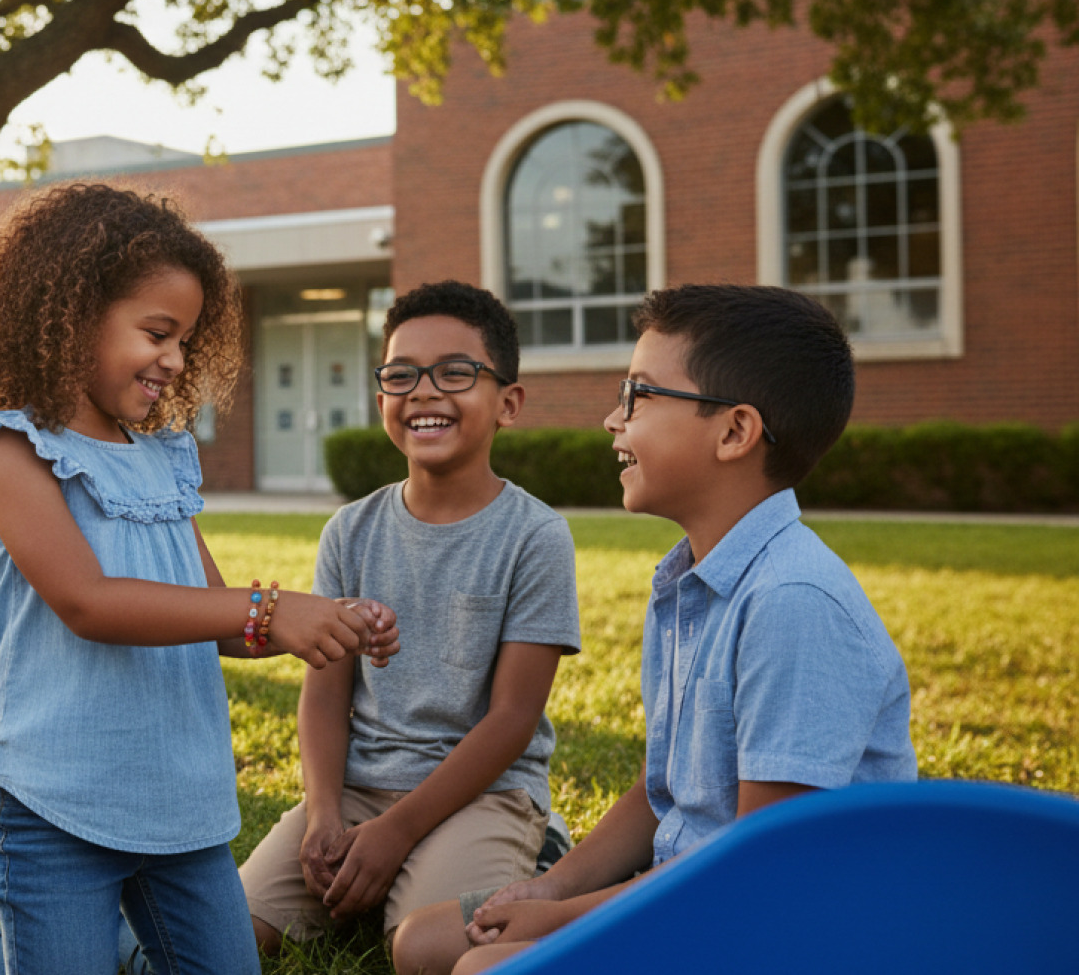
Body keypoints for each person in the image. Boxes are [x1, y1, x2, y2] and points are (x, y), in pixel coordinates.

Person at [0, 183, 401, 975]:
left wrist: (325, 620)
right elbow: (89, 602)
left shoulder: (165, 455)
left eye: (185, 339)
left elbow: (212, 613)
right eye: (157, 333)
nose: (174, 359)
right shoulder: (10, 453)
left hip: (180, 799)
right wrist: (270, 610)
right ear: (68, 314)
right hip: (54, 796)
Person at [391, 284, 918, 975]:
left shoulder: (793, 600)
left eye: (639, 395)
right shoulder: (688, 581)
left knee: (478, 969)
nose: (614, 419)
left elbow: (761, 870)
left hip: (780, 926)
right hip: (692, 887)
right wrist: (552, 885)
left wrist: (559, 918)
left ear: (734, 431)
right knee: (421, 943)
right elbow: (663, 785)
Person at [228, 281, 580, 965]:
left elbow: (512, 718)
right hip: (359, 784)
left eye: (456, 372)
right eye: (401, 374)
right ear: (381, 394)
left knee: (420, 951)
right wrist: (325, 812)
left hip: (483, 792)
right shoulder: (350, 530)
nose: (424, 391)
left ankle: (539, 849)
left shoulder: (535, 535)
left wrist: (397, 831)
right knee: (231, 939)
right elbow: (326, 693)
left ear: (508, 401)